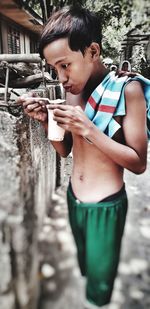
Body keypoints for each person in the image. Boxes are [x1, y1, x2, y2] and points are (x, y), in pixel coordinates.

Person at [17, 6, 148, 308]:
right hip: (74, 200)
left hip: (106, 206)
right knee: (86, 268)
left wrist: (89, 129)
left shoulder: (128, 91)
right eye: (54, 69)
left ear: (92, 50)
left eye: (65, 65)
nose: (60, 77)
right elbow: (65, 150)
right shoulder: (73, 92)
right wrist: (44, 121)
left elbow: (139, 163)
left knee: (98, 288)